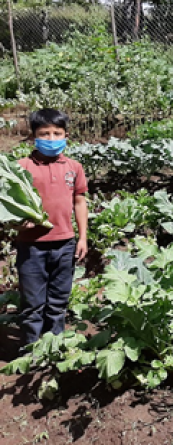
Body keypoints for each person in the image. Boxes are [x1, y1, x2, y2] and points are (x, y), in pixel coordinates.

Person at [14, 109, 89, 347]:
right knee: (32, 303)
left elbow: (79, 202)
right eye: (44, 134)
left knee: (58, 301)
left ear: (66, 135)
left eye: (57, 133)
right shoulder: (20, 168)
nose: (52, 139)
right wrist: (18, 223)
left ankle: (53, 348)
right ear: (33, 136)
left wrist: (82, 237)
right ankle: (31, 350)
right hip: (31, 246)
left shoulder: (74, 167)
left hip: (65, 244)